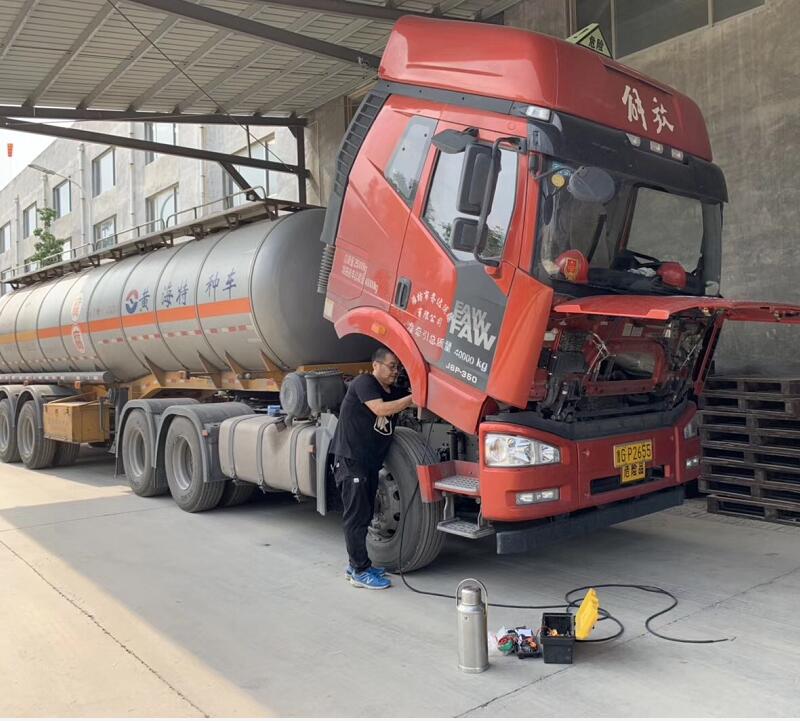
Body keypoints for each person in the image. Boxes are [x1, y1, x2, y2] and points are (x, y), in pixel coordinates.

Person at [331, 347, 414, 590]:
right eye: (391, 366)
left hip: (369, 463)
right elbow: (380, 409)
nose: (395, 371)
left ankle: (357, 565)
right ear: (375, 365)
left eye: (398, 367)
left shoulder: (393, 391)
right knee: (356, 517)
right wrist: (412, 399)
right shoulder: (364, 383)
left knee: (366, 514)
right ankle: (360, 571)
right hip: (351, 459)